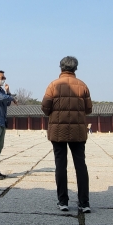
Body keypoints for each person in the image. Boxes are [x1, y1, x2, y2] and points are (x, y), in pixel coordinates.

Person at [42, 56, 92, 213]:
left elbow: (45, 107)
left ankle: (63, 201)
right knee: (80, 165)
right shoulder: (82, 85)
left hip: (58, 131)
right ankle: (84, 203)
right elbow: (88, 109)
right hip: (78, 132)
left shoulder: (53, 85)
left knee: (60, 165)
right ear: (75, 68)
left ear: (61, 68)